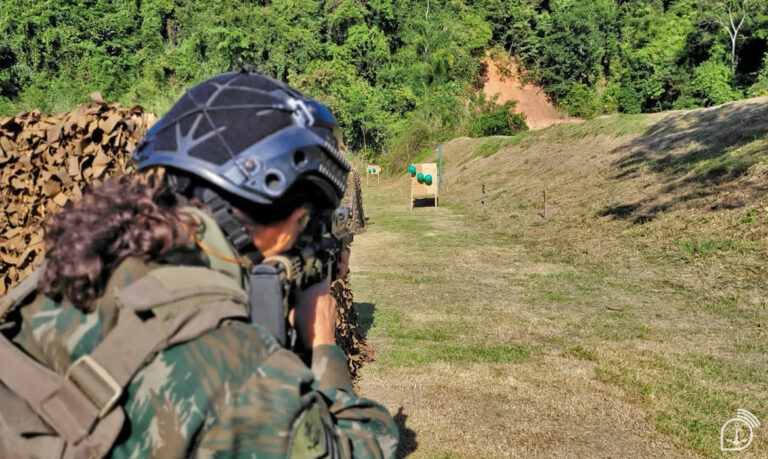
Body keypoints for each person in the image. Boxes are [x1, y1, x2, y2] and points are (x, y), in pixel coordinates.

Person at [0, 71, 398, 457]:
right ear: (289, 227)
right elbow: (365, 443)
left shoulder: (72, 270)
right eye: (309, 230)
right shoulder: (239, 370)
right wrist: (323, 345)